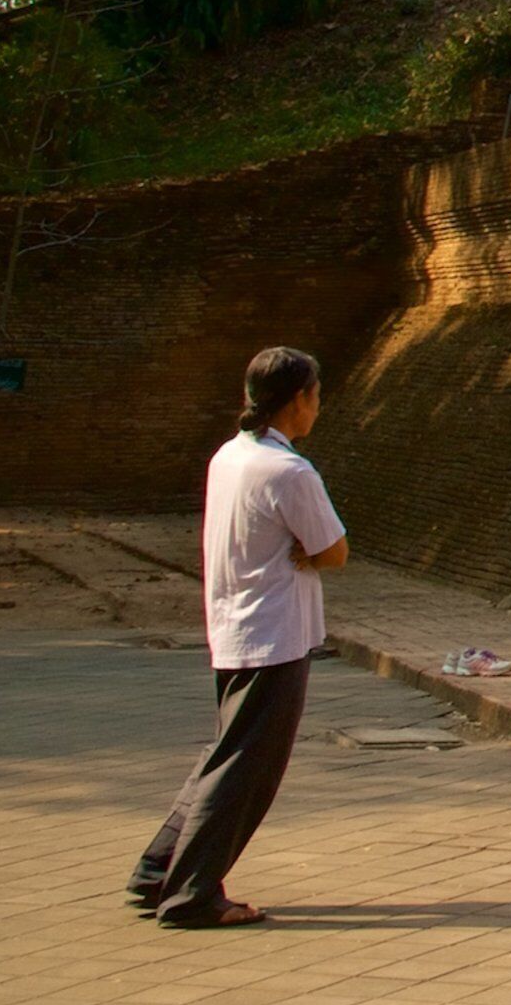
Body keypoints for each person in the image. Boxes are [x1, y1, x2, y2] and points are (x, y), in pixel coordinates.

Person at [128, 346, 348, 928]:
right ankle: (192, 895)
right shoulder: (290, 470)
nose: (317, 407)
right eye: (315, 396)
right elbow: (334, 550)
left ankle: (159, 870)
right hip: (275, 633)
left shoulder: (230, 456)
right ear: (299, 400)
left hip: (234, 624)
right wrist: (308, 549)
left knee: (226, 755)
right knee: (246, 768)